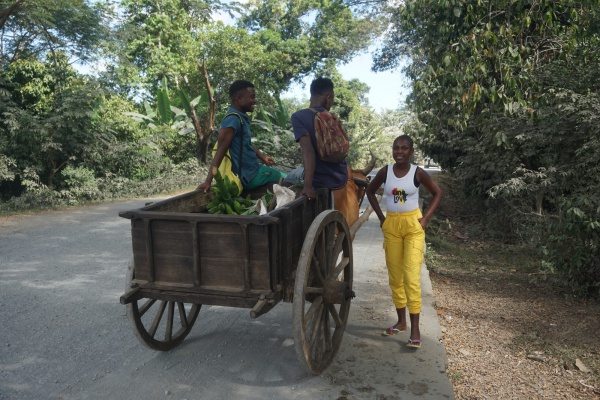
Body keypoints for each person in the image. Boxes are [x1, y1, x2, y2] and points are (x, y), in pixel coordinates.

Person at [365, 135, 442, 349]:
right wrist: (382, 218)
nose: (399, 151)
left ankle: (415, 328)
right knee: (395, 276)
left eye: (404, 148)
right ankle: (401, 321)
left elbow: (437, 192)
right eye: (396, 148)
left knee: (410, 277)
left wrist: (425, 219)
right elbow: (370, 191)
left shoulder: (418, 172)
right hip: (392, 226)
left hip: (412, 227)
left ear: (411, 151)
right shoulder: (385, 171)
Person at [198, 80, 285, 193]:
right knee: (283, 177)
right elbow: (221, 151)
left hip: (253, 170)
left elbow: (246, 143)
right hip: (249, 177)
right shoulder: (232, 120)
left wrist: (262, 157)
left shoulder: (240, 118)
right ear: (239, 99)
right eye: (252, 97)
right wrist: (208, 181)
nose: (254, 100)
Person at [290, 77, 348, 201]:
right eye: (332, 98)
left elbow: (308, 151)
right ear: (327, 97)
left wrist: (307, 186)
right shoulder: (333, 118)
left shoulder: (299, 117)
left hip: (319, 180)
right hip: (340, 178)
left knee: (287, 178)